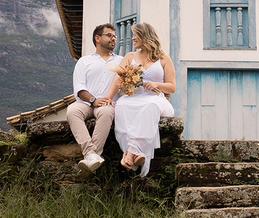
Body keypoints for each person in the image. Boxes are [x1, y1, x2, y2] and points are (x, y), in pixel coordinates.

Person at [108, 21, 176, 177]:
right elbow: (117, 80)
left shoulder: (163, 58)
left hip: (156, 99)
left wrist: (155, 84)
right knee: (121, 106)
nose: (132, 39)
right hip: (133, 98)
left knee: (150, 106)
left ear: (145, 36)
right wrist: (108, 98)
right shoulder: (129, 57)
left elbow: (172, 87)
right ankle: (136, 153)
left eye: (135, 35)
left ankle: (130, 153)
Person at [66, 23, 119, 175]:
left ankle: (91, 156)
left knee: (107, 112)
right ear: (97, 38)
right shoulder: (84, 61)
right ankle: (91, 153)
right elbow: (80, 88)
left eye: (114, 36)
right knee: (72, 111)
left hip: (107, 103)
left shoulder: (121, 61)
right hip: (86, 102)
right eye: (109, 35)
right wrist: (93, 100)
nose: (113, 39)